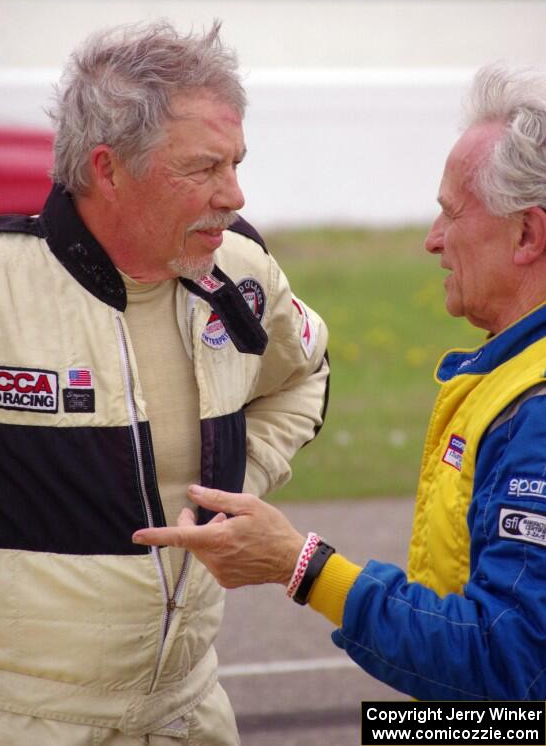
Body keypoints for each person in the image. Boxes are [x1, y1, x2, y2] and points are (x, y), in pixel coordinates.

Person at [134, 63, 546, 702]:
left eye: (450, 214)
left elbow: (510, 671)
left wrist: (300, 566)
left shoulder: (536, 413)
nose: (432, 241)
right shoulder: (510, 376)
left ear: (527, 234)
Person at [0, 21, 329, 745]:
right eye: (202, 169)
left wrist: (240, 480)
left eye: (235, 163)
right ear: (108, 168)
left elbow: (305, 376)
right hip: (16, 717)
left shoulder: (243, 269)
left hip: (188, 709)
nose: (233, 194)